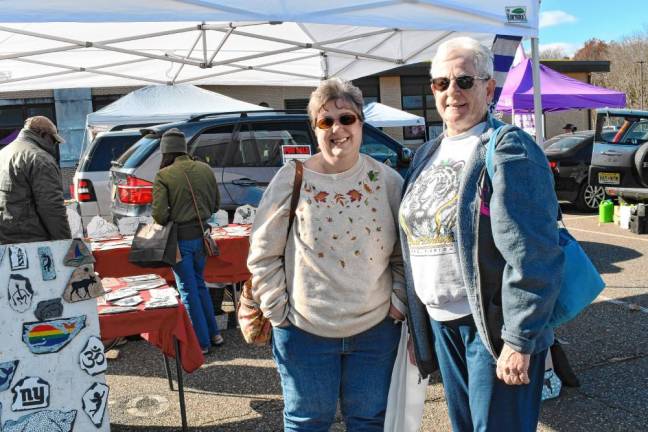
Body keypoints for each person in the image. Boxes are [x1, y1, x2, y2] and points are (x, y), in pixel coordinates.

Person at [399, 37, 564, 431]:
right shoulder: (428, 152)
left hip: (490, 327)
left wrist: (520, 339)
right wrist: (417, 325)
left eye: (464, 81)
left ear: (489, 88)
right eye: (441, 83)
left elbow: (535, 252)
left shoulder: (509, 147)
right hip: (443, 325)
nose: (451, 92)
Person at [247, 77, 406, 431]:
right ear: (314, 129)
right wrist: (277, 311)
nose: (338, 129)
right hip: (305, 331)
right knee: (307, 423)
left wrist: (398, 302)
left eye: (346, 118)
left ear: (361, 123)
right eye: (326, 121)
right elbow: (262, 252)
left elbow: (403, 254)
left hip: (375, 332)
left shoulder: (388, 181)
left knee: (368, 422)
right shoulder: (292, 179)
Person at [151, 128, 223, 355]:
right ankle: (215, 334)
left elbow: (160, 215)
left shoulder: (164, 175)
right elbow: (215, 206)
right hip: (202, 236)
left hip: (179, 241)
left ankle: (201, 343)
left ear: (166, 151)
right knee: (200, 285)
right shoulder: (205, 169)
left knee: (188, 290)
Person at [0, 116, 71, 244]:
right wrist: (65, 243)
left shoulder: (4, 153)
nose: (54, 145)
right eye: (53, 140)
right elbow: (51, 207)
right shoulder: (40, 159)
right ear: (42, 134)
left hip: (5, 237)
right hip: (31, 239)